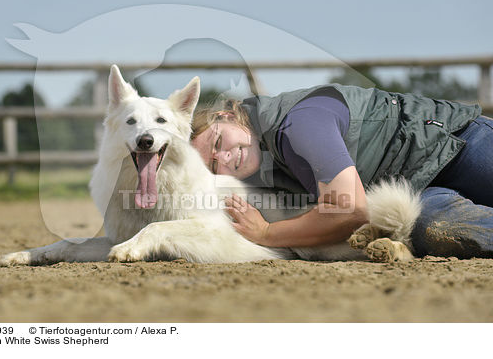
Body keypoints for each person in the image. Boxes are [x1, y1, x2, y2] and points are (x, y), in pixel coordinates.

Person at [190, 84, 493, 258]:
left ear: (227, 115)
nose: (226, 157)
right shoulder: (264, 163)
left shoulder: (297, 122)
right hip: (417, 192)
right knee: (438, 231)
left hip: (457, 141)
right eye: (215, 165)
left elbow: (350, 209)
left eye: (218, 140)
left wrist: (268, 233)